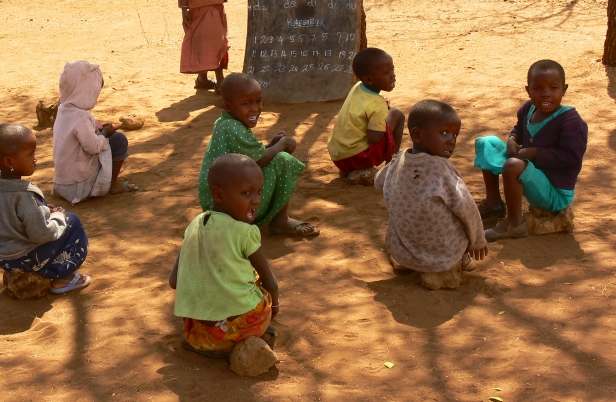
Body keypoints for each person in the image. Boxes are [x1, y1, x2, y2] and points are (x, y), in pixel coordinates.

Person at [170, 154, 279, 358]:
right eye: (246, 193)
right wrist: (275, 305)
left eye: (259, 192)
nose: (256, 200)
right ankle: (244, 338)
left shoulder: (193, 225)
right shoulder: (245, 232)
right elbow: (271, 283)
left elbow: (174, 281)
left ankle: (208, 345)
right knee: (261, 290)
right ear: (218, 195)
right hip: (235, 329)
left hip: (199, 334)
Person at [475, 60, 588, 242]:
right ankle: (493, 202)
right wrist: (512, 140)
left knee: (513, 166)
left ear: (564, 89)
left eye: (553, 88)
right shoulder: (528, 109)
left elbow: (571, 158)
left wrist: (535, 153)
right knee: (488, 143)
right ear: (528, 90)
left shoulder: (571, 123)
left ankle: (515, 223)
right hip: (530, 172)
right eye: (537, 88)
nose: (545, 94)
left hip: (554, 192)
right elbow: (518, 130)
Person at [375, 100, 488, 279]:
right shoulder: (442, 169)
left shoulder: (399, 160)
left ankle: (405, 261)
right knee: (459, 213)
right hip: (442, 253)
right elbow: (467, 207)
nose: (451, 141)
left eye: (455, 135)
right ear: (417, 135)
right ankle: (462, 258)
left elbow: (378, 181)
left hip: (403, 248)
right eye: (444, 133)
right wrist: (478, 239)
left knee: (401, 209)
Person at [197, 73, 318, 237]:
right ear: (227, 106)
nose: (255, 108)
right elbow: (262, 159)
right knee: (284, 160)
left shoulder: (224, 122)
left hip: (218, 201)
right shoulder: (233, 128)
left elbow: (249, 157)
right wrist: (282, 145)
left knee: (276, 157)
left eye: (258, 101)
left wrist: (271, 145)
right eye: (247, 103)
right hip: (227, 205)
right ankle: (281, 222)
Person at [0, 124, 91, 294]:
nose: (35, 158)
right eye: (30, 154)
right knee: (73, 223)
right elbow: (41, 234)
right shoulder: (24, 194)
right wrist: (58, 217)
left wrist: (43, 210)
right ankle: (62, 277)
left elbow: (9, 216)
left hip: (3, 258)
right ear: (9, 162)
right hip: (25, 259)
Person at [52, 60, 138, 202]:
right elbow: (92, 147)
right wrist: (105, 134)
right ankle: (113, 185)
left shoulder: (62, 110)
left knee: (107, 140)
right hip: (78, 187)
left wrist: (97, 130)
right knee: (118, 140)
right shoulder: (80, 117)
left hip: (62, 184)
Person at [327, 47, 405, 176]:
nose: (393, 75)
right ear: (369, 79)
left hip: (339, 158)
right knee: (397, 115)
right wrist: (381, 116)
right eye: (387, 72)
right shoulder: (377, 104)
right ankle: (392, 165)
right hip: (358, 158)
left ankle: (350, 172)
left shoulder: (357, 87)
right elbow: (374, 138)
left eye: (392, 69)